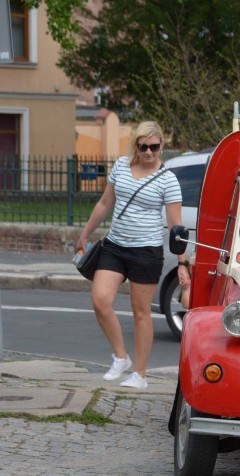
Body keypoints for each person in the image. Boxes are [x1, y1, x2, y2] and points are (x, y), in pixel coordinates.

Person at [75, 121, 190, 389]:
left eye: (154, 146)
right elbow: (105, 202)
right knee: (100, 300)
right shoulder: (121, 167)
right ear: (136, 145)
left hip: (146, 251)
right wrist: (85, 234)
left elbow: (176, 227)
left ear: (162, 145)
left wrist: (182, 263)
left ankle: (140, 373)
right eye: (143, 146)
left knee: (140, 312)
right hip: (115, 246)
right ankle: (121, 357)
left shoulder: (168, 180)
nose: (149, 152)